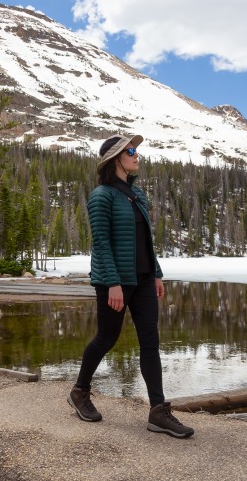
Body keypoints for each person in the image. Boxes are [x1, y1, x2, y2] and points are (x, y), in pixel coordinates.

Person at [67, 134, 194, 438]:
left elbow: (145, 241)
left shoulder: (137, 197)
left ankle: (158, 412)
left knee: (150, 342)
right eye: (131, 151)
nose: (137, 156)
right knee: (106, 338)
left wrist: (157, 273)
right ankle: (80, 392)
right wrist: (112, 283)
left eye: (136, 150)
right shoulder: (102, 196)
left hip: (145, 278)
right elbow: (102, 242)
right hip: (116, 281)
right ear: (115, 159)